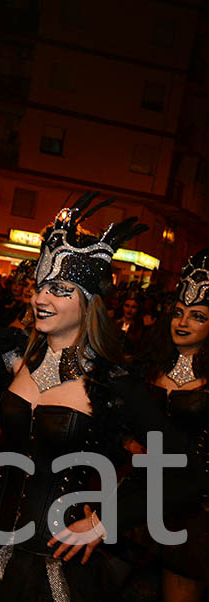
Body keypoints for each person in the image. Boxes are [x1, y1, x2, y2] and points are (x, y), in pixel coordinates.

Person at [0, 192, 194, 601]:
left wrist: (107, 520)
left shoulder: (113, 381)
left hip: (53, 560)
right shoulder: (16, 352)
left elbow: (186, 468)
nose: (41, 298)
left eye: (59, 289)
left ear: (88, 302)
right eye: (41, 287)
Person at [138, 248, 208, 602]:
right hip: (138, 497)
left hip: (191, 509)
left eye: (197, 315)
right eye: (179, 312)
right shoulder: (150, 365)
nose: (183, 322)